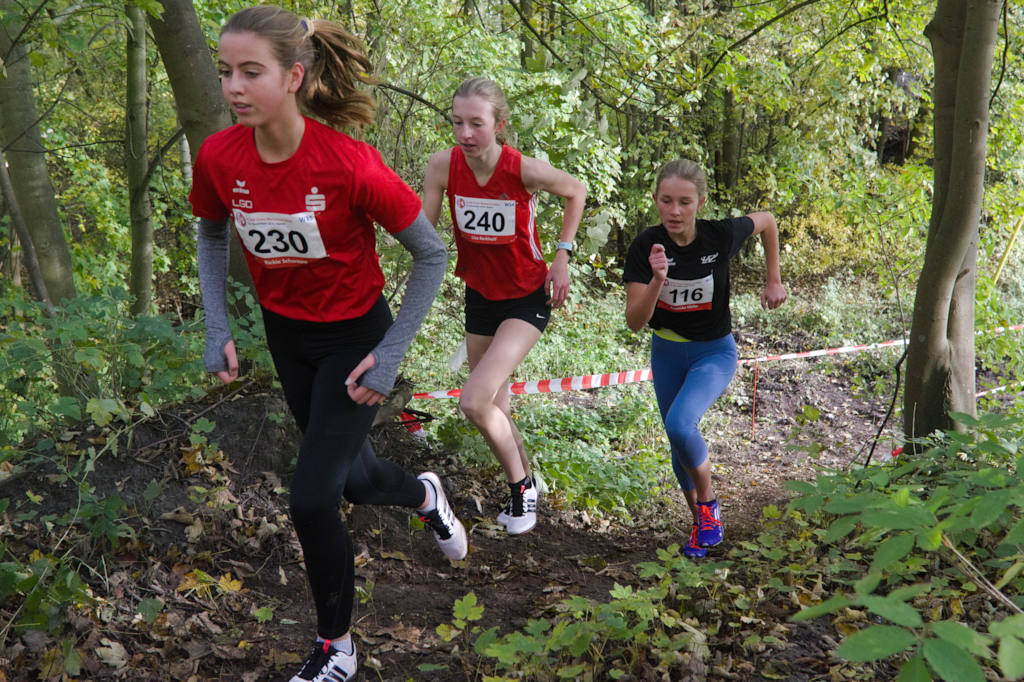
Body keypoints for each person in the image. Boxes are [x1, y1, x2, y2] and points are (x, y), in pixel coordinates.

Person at [189, 7, 467, 681]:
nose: (233, 87)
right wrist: (219, 327)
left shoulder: (349, 164)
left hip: (356, 337)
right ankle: (425, 494)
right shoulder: (220, 155)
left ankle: (335, 649)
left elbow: (430, 256)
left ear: (292, 76)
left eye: (250, 72)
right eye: (226, 72)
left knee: (313, 497)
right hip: (288, 337)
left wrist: (394, 352)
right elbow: (212, 233)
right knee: (354, 477)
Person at [421, 78, 587, 535]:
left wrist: (562, 257)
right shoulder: (441, 166)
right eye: (457, 122)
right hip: (479, 296)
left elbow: (577, 190)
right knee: (496, 403)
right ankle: (526, 487)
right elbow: (424, 233)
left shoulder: (522, 169)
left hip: (527, 296)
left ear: (499, 124)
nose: (465, 134)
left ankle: (521, 493)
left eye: (477, 123)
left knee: (473, 401)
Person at [623, 159, 787, 559]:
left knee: (681, 423)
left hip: (714, 351)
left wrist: (774, 279)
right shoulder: (646, 246)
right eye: (666, 201)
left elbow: (767, 221)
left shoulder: (719, 235)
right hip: (666, 351)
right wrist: (658, 280)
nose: (674, 211)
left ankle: (708, 507)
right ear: (656, 200)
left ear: (701, 202)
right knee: (678, 444)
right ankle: (701, 526)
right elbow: (633, 322)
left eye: (684, 202)